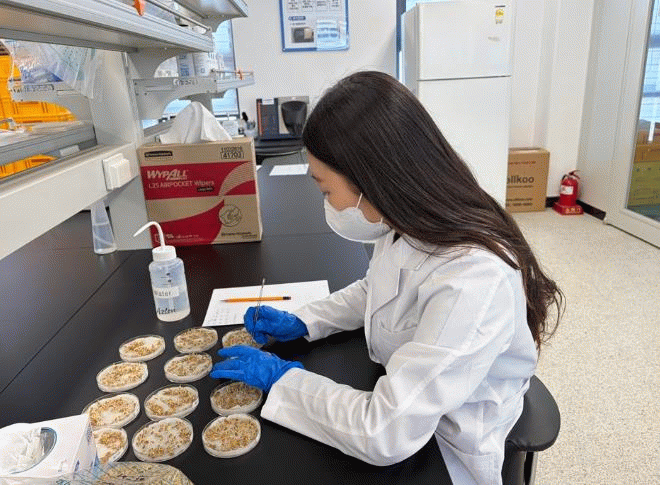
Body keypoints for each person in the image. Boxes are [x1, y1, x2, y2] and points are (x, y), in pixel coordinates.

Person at [210, 71, 563, 485]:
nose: (327, 203)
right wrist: (306, 320)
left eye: (326, 190)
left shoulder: (474, 280)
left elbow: (384, 432)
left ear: (372, 180)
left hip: (447, 442)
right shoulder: (407, 221)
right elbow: (376, 289)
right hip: (411, 401)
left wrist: (283, 380)